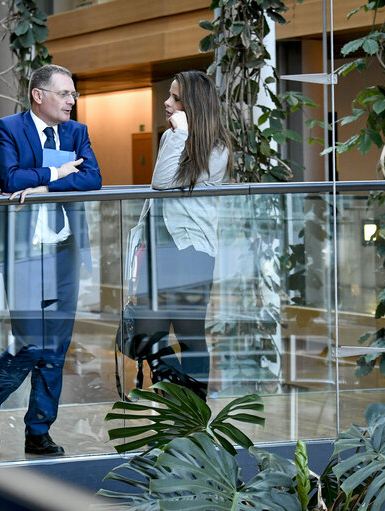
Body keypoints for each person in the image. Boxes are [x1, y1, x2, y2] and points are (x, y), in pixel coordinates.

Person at [0, 64, 102, 455]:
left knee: (57, 346)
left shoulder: (77, 132)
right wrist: (58, 170)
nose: (71, 101)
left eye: (73, 95)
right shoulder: (8, 128)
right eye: (64, 94)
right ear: (38, 95)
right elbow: (10, 180)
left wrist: (45, 183)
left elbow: (93, 178)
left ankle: (38, 431)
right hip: (24, 254)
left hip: (64, 251)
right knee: (30, 342)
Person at [130, 70, 231, 400]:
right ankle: (174, 393)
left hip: (190, 250)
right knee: (146, 334)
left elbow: (162, 184)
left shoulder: (216, 149)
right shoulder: (172, 136)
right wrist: (178, 135)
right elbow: (161, 183)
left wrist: (181, 134)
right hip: (157, 250)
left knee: (190, 334)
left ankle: (193, 414)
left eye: (175, 98)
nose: (167, 102)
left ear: (194, 105)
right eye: (169, 96)